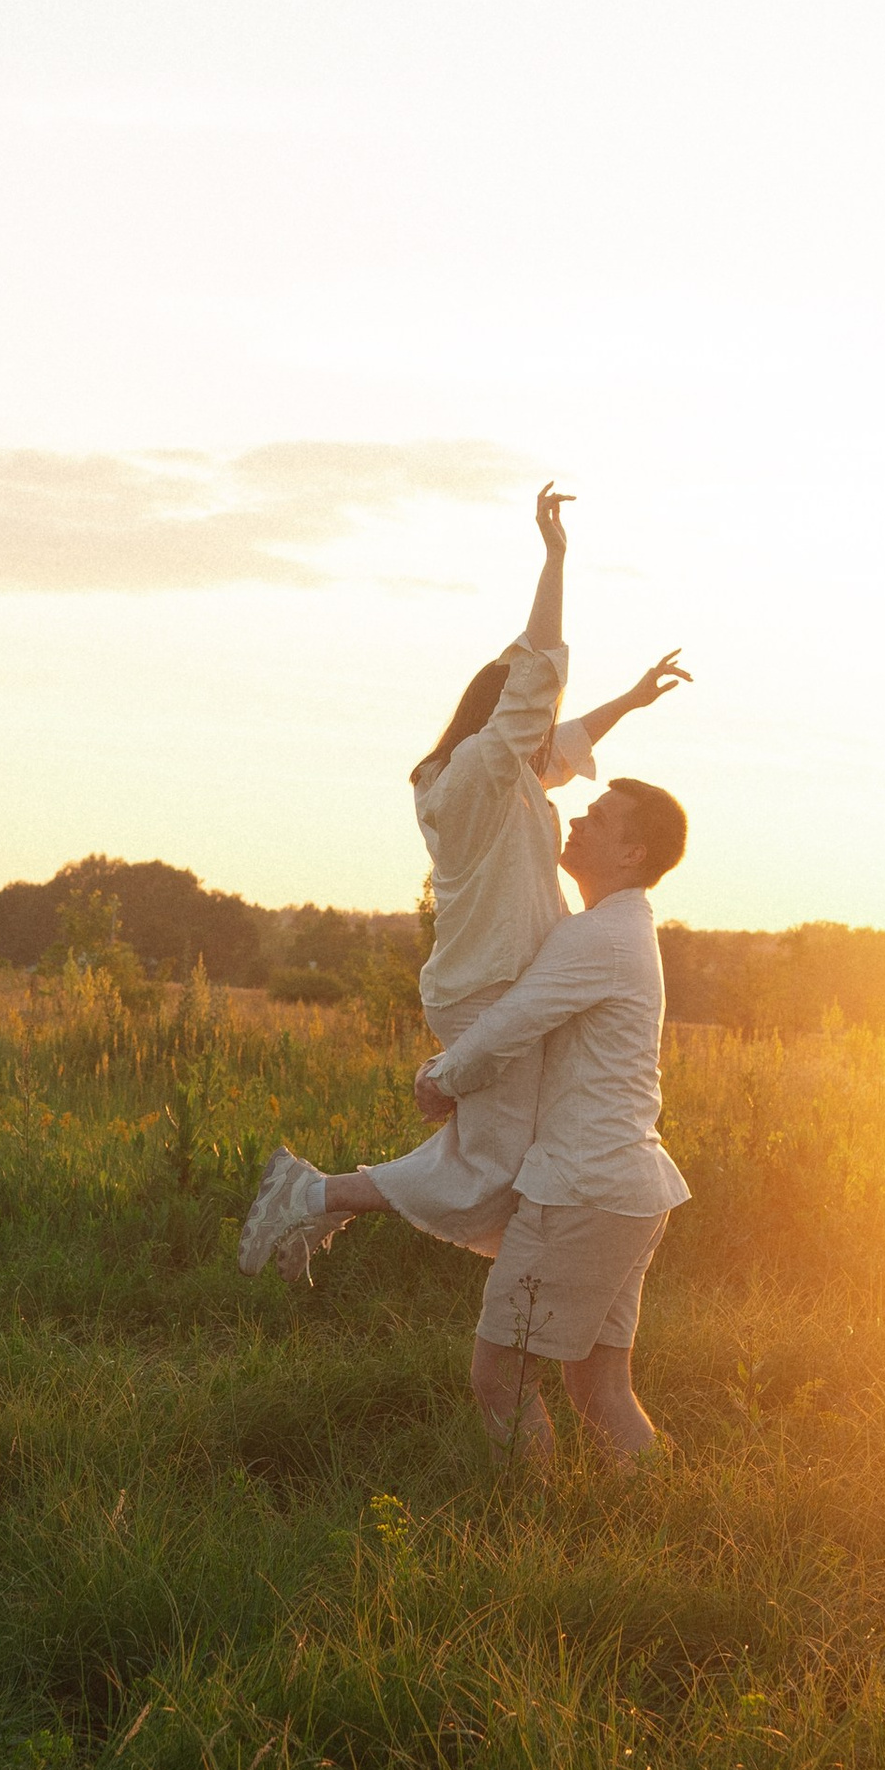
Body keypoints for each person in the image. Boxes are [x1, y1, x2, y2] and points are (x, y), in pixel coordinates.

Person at [237, 482, 687, 1285]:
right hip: (490, 986)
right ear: (501, 720)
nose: (548, 745)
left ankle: (325, 1205)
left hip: (490, 977)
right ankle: (310, 1195)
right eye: (530, 726)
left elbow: (567, 732)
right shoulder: (479, 775)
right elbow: (538, 676)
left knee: (499, 1149)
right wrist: (554, 560)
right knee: (493, 1162)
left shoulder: (496, 775)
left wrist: (633, 698)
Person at [416, 772, 692, 1470]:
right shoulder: (617, 930)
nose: (577, 819)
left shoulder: (601, 935)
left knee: (500, 1378)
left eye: (598, 817)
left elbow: (510, 1024)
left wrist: (439, 1078)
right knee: (598, 1388)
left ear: (632, 854)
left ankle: (531, 1529)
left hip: (585, 1188)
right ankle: (661, 1516)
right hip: (624, 1190)